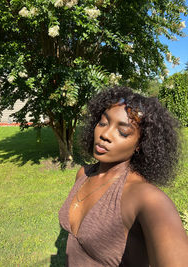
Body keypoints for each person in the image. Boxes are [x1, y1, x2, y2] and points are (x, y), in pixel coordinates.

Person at [59, 86, 188, 267]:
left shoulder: (147, 198)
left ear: (140, 144)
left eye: (123, 132)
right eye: (103, 123)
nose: (105, 134)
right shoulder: (83, 174)